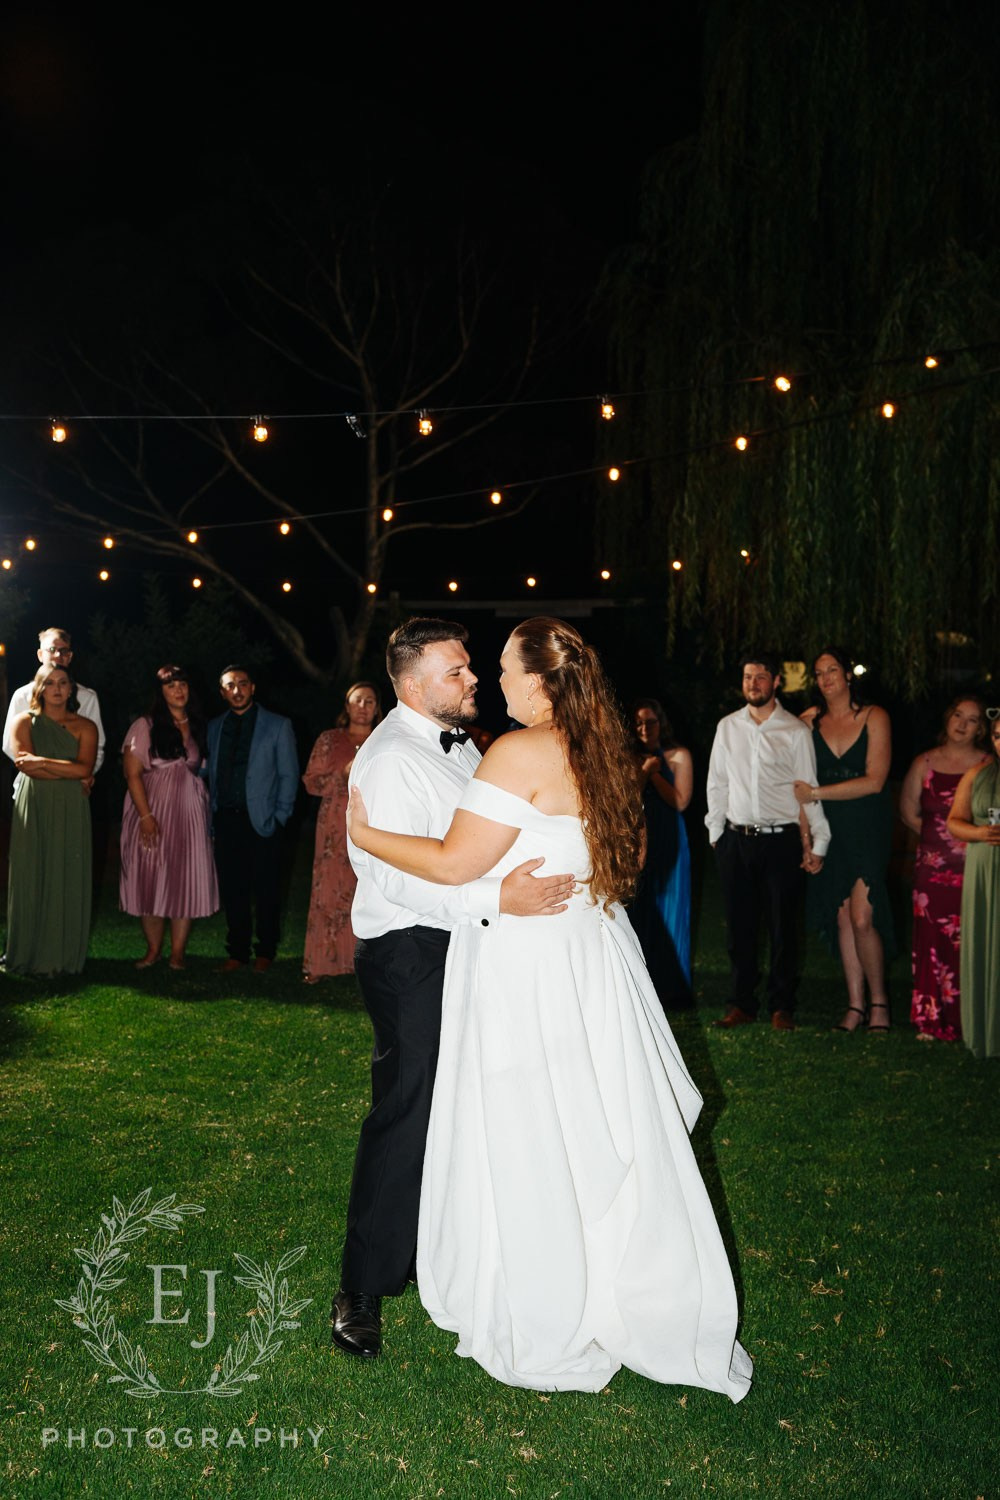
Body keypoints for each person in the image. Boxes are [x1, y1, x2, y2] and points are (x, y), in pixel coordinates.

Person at [347, 617, 753, 1399]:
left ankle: (543, 1288)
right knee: (585, 1115)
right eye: (466, 669)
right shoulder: (603, 746)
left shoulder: (507, 749)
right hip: (578, 951)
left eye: (497, 667)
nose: (486, 679)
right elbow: (627, 859)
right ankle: (593, 1278)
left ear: (538, 681)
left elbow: (452, 861)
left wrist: (365, 832)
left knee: (531, 1118)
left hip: (527, 959)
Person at [331, 618, 576, 1363]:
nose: (473, 680)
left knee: (467, 1106)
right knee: (408, 1108)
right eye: (457, 672)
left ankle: (453, 1252)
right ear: (411, 686)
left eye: (471, 667)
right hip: (410, 951)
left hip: (468, 942)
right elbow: (398, 880)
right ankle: (360, 1289)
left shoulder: (462, 742)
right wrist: (498, 901)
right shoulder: (388, 761)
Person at [706, 652, 830, 1032]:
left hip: (781, 841)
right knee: (739, 928)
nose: (753, 684)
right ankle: (741, 1003)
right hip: (737, 839)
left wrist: (819, 840)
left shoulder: (795, 731)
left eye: (761, 677)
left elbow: (807, 789)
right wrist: (716, 833)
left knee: (782, 929)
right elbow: (717, 782)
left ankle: (782, 1006)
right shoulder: (728, 727)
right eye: (748, 677)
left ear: (776, 682)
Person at [793, 647, 894, 1032]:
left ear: (848, 675)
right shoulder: (808, 723)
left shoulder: (874, 716)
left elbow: (875, 781)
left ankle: (879, 1002)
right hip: (828, 828)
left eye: (832, 670)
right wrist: (807, 841)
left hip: (867, 825)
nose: (825, 679)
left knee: (862, 916)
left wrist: (816, 793)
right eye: (819, 673)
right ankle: (855, 1005)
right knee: (842, 917)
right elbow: (799, 787)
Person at [898, 696, 988, 1041]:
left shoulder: (988, 765)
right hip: (931, 871)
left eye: (972, 719)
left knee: (972, 940)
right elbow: (909, 811)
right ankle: (930, 1018)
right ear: (947, 718)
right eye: (958, 715)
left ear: (981, 729)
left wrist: (967, 842)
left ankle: (971, 1017)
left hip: (974, 868)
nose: (962, 724)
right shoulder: (924, 762)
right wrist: (939, 842)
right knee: (931, 940)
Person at [119, 666, 219, 970]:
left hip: (190, 814)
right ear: (160, 692)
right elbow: (132, 774)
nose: (178, 690)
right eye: (171, 685)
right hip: (152, 811)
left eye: (183, 684)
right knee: (150, 876)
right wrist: (145, 816)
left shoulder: (200, 725)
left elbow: (204, 769)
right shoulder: (145, 725)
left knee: (183, 877)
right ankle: (153, 950)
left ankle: (177, 953)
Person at [206, 665, 299, 974]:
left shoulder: (278, 725)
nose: (237, 690)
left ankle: (266, 950)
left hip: (263, 822)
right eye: (230, 685)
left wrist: (280, 816)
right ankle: (237, 952)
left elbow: (289, 775)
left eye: (243, 684)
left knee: (267, 890)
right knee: (233, 890)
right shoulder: (215, 727)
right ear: (222, 692)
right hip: (226, 820)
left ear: (253, 687)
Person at [5, 666, 96, 975]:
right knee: (31, 869)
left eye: (63, 683)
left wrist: (41, 761)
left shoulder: (86, 726)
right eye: (50, 683)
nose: (57, 689)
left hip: (72, 806)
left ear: (71, 689)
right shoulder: (23, 721)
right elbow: (24, 765)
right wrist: (67, 770)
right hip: (34, 802)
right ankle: (25, 953)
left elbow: (85, 769)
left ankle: (64, 956)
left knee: (66, 870)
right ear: (39, 689)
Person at [301, 681, 381, 982]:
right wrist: (342, 774)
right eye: (357, 700)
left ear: (377, 708)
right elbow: (311, 782)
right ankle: (321, 963)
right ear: (347, 706)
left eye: (369, 701)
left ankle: (366, 963)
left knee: (369, 888)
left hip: (376, 823)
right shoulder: (329, 739)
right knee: (330, 888)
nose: (363, 707)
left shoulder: (384, 738)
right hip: (335, 824)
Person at [630, 697, 694, 1007]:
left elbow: (681, 801)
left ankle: (672, 986)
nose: (644, 728)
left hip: (669, 836)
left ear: (661, 723)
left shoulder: (679, 754)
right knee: (641, 907)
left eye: (650, 722)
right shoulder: (629, 756)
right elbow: (628, 796)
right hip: (640, 837)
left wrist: (655, 773)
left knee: (669, 906)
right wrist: (645, 769)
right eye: (639, 723)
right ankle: (643, 981)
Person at [946, 708, 1000, 1060]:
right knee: (986, 943)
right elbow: (955, 822)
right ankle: (986, 1032)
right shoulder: (978, 775)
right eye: (997, 736)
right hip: (984, 868)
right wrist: (980, 833)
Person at [3, 627, 106, 781]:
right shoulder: (22, 695)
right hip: (33, 781)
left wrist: (84, 775)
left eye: (64, 651)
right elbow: (11, 747)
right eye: (52, 650)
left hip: (76, 784)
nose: (58, 655)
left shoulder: (87, 697)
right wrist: (52, 775)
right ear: (40, 655)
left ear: (70, 656)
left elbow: (97, 748)